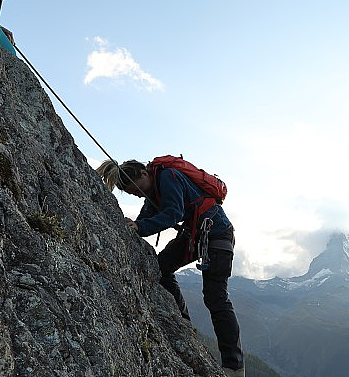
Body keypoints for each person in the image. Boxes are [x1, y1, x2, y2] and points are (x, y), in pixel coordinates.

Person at [97, 158, 245, 377]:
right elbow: (146, 217)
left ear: (144, 174)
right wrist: (134, 226)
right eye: (132, 194)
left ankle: (234, 366)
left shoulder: (167, 177)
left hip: (216, 234)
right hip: (199, 234)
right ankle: (182, 324)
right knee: (160, 268)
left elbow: (172, 214)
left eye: (136, 190)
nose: (137, 195)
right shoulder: (154, 186)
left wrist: (139, 226)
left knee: (216, 297)